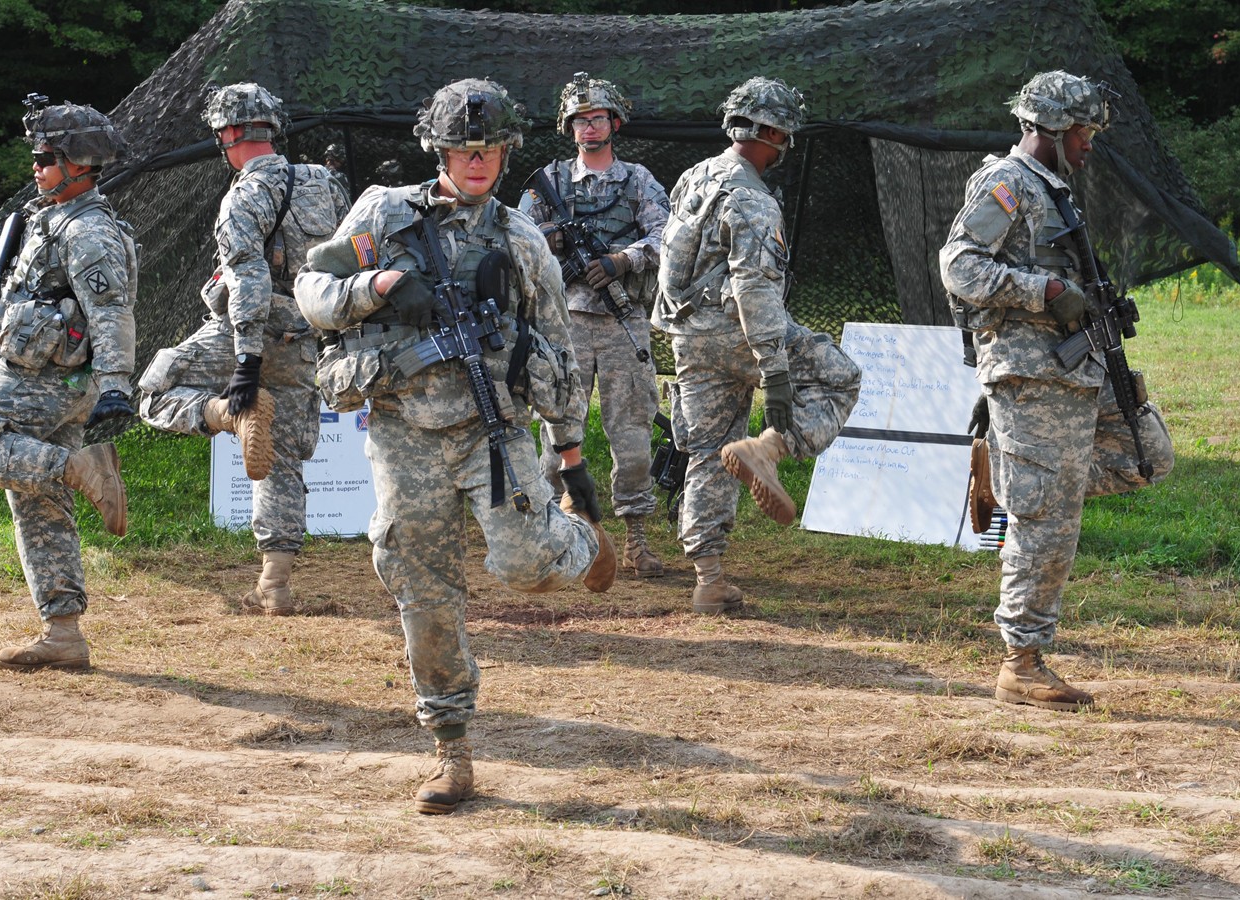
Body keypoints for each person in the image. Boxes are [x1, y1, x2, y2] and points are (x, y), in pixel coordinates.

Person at [295, 78, 617, 816]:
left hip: (492, 429)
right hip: (404, 431)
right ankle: (451, 747)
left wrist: (572, 465)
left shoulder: (520, 238)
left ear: (507, 151)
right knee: (421, 590)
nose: (478, 161)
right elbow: (314, 287)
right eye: (465, 149)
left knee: (523, 561)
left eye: (491, 149)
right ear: (439, 148)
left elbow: (559, 358)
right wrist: (373, 286)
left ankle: (574, 540)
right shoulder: (384, 212)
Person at [940, 71, 1174, 711]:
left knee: (1146, 453)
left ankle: (1007, 472)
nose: (1089, 145)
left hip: (1078, 364)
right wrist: (1042, 291)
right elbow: (959, 265)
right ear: (1053, 127)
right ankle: (1021, 661)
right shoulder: (1008, 184)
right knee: (1048, 517)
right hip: (1032, 373)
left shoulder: (1053, 188)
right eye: (1084, 132)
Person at [0, 99, 136, 671]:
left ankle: (82, 469)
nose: (36, 167)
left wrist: (116, 384)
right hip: (37, 370)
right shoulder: (48, 218)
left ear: (80, 163)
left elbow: (110, 312)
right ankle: (64, 632)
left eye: (47, 158)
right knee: (36, 498)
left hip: (52, 378)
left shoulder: (90, 231)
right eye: (35, 157)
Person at [138, 82, 350, 616]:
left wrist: (245, 362)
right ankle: (275, 584)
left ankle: (223, 416)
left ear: (229, 133)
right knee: (281, 459)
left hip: (250, 333)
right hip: (309, 332)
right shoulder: (326, 182)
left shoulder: (244, 195)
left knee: (152, 392)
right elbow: (351, 259)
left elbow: (249, 277)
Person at [654, 77, 861, 614]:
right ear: (773, 131)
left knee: (705, 450)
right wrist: (775, 371)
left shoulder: (696, 176)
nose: (785, 147)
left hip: (688, 336)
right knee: (841, 377)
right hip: (739, 328)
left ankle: (709, 578)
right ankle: (769, 448)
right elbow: (753, 286)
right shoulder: (752, 198)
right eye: (784, 135)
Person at [519, 72, 671, 578]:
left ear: (615, 123)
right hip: (563, 323)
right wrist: (553, 239)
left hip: (622, 319)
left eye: (598, 118)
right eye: (581, 120)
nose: (589, 127)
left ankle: (637, 539)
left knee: (631, 434)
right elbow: (517, 237)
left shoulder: (638, 180)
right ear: (569, 127)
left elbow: (665, 235)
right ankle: (550, 533)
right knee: (558, 430)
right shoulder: (551, 181)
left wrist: (622, 260)